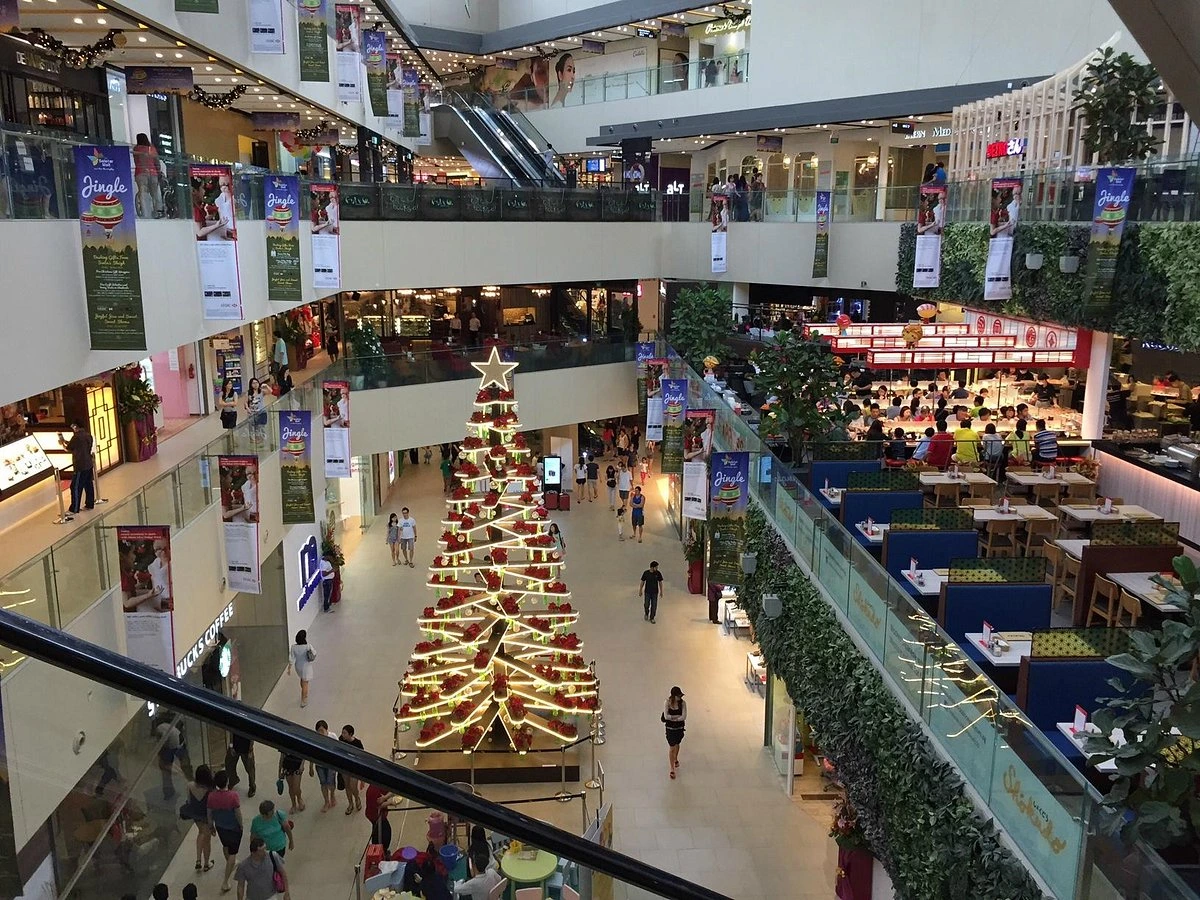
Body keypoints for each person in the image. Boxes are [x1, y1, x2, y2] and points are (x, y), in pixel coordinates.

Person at [208, 769, 244, 893]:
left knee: (226, 846)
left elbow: (209, 813)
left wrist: (211, 826)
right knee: (233, 852)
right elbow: (237, 813)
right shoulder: (233, 795)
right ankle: (225, 880)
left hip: (220, 827)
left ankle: (230, 862)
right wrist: (241, 825)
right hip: (233, 827)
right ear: (227, 781)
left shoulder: (212, 796)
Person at [182, 765, 215, 872]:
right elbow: (211, 807)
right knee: (207, 839)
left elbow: (189, 801)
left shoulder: (190, 785)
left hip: (195, 814)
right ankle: (206, 863)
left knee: (201, 832)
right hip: (206, 816)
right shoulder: (210, 790)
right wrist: (212, 825)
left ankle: (198, 860)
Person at [59, 420, 95, 514]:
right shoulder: (88, 435)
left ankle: (74, 508)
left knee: (75, 486)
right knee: (88, 485)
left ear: (76, 426)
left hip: (80, 465)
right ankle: (89, 504)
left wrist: (62, 444)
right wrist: (66, 442)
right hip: (89, 463)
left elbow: (69, 448)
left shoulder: (76, 437)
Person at [310, 720, 339, 812]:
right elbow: (311, 753)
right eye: (318, 731)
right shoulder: (315, 739)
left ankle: (332, 795)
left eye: (322, 730)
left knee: (331, 782)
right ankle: (326, 801)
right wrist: (311, 767)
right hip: (319, 764)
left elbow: (338, 749)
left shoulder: (332, 736)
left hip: (331, 764)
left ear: (327, 730)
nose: (320, 733)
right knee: (323, 783)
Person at [133, 134, 162, 218]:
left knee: (143, 193)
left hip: (141, 173)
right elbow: (157, 161)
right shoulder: (151, 149)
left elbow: (136, 161)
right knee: (155, 194)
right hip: (153, 173)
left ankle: (146, 214)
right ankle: (157, 212)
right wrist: (158, 171)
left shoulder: (136, 149)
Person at [339, 725, 364, 814]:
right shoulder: (341, 740)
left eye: (344, 733)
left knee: (353, 786)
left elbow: (362, 757)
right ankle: (350, 803)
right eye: (342, 732)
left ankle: (357, 799)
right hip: (344, 767)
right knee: (347, 786)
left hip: (354, 768)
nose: (342, 735)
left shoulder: (357, 743)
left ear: (350, 734)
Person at [663, 686, 687, 779]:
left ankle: (676, 758)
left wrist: (672, 718)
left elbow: (684, 716)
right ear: (673, 696)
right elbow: (666, 716)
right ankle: (672, 768)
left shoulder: (683, 703)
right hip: (670, 729)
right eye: (678, 696)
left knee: (677, 744)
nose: (680, 698)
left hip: (679, 729)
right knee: (672, 747)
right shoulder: (667, 703)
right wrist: (677, 718)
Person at [289, 630, 315, 708]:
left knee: (302, 680)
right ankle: (304, 700)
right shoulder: (308, 646)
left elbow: (292, 658)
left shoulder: (293, 647)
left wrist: (289, 667)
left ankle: (304, 691)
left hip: (298, 667)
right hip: (306, 668)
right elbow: (314, 653)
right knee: (305, 684)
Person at [365, 783, 393, 854]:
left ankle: (378, 850)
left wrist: (385, 797)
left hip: (378, 815)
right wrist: (391, 802)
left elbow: (391, 790)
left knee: (377, 831)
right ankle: (381, 851)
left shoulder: (378, 785)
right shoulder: (373, 791)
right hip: (375, 816)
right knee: (384, 833)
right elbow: (378, 806)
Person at [228, 732, 256, 797]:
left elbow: (252, 736)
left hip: (246, 749)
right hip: (235, 747)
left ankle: (252, 787)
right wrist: (231, 747)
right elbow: (231, 733)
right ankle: (233, 779)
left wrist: (250, 750)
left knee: (250, 769)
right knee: (229, 764)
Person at [279, 749, 304, 814]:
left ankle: (299, 798)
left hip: (297, 764)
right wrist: (280, 770)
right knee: (290, 786)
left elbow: (304, 753)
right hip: (287, 765)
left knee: (296, 787)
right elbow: (282, 756)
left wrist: (302, 764)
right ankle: (293, 804)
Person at [245, 377, 266, 447]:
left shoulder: (261, 391)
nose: (255, 384)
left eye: (256, 382)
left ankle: (260, 439)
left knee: (259, 427)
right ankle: (252, 439)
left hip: (260, 412)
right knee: (251, 427)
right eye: (253, 383)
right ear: (251, 384)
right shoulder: (248, 393)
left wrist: (266, 386)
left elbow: (270, 391)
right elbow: (245, 402)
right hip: (251, 413)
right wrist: (248, 408)